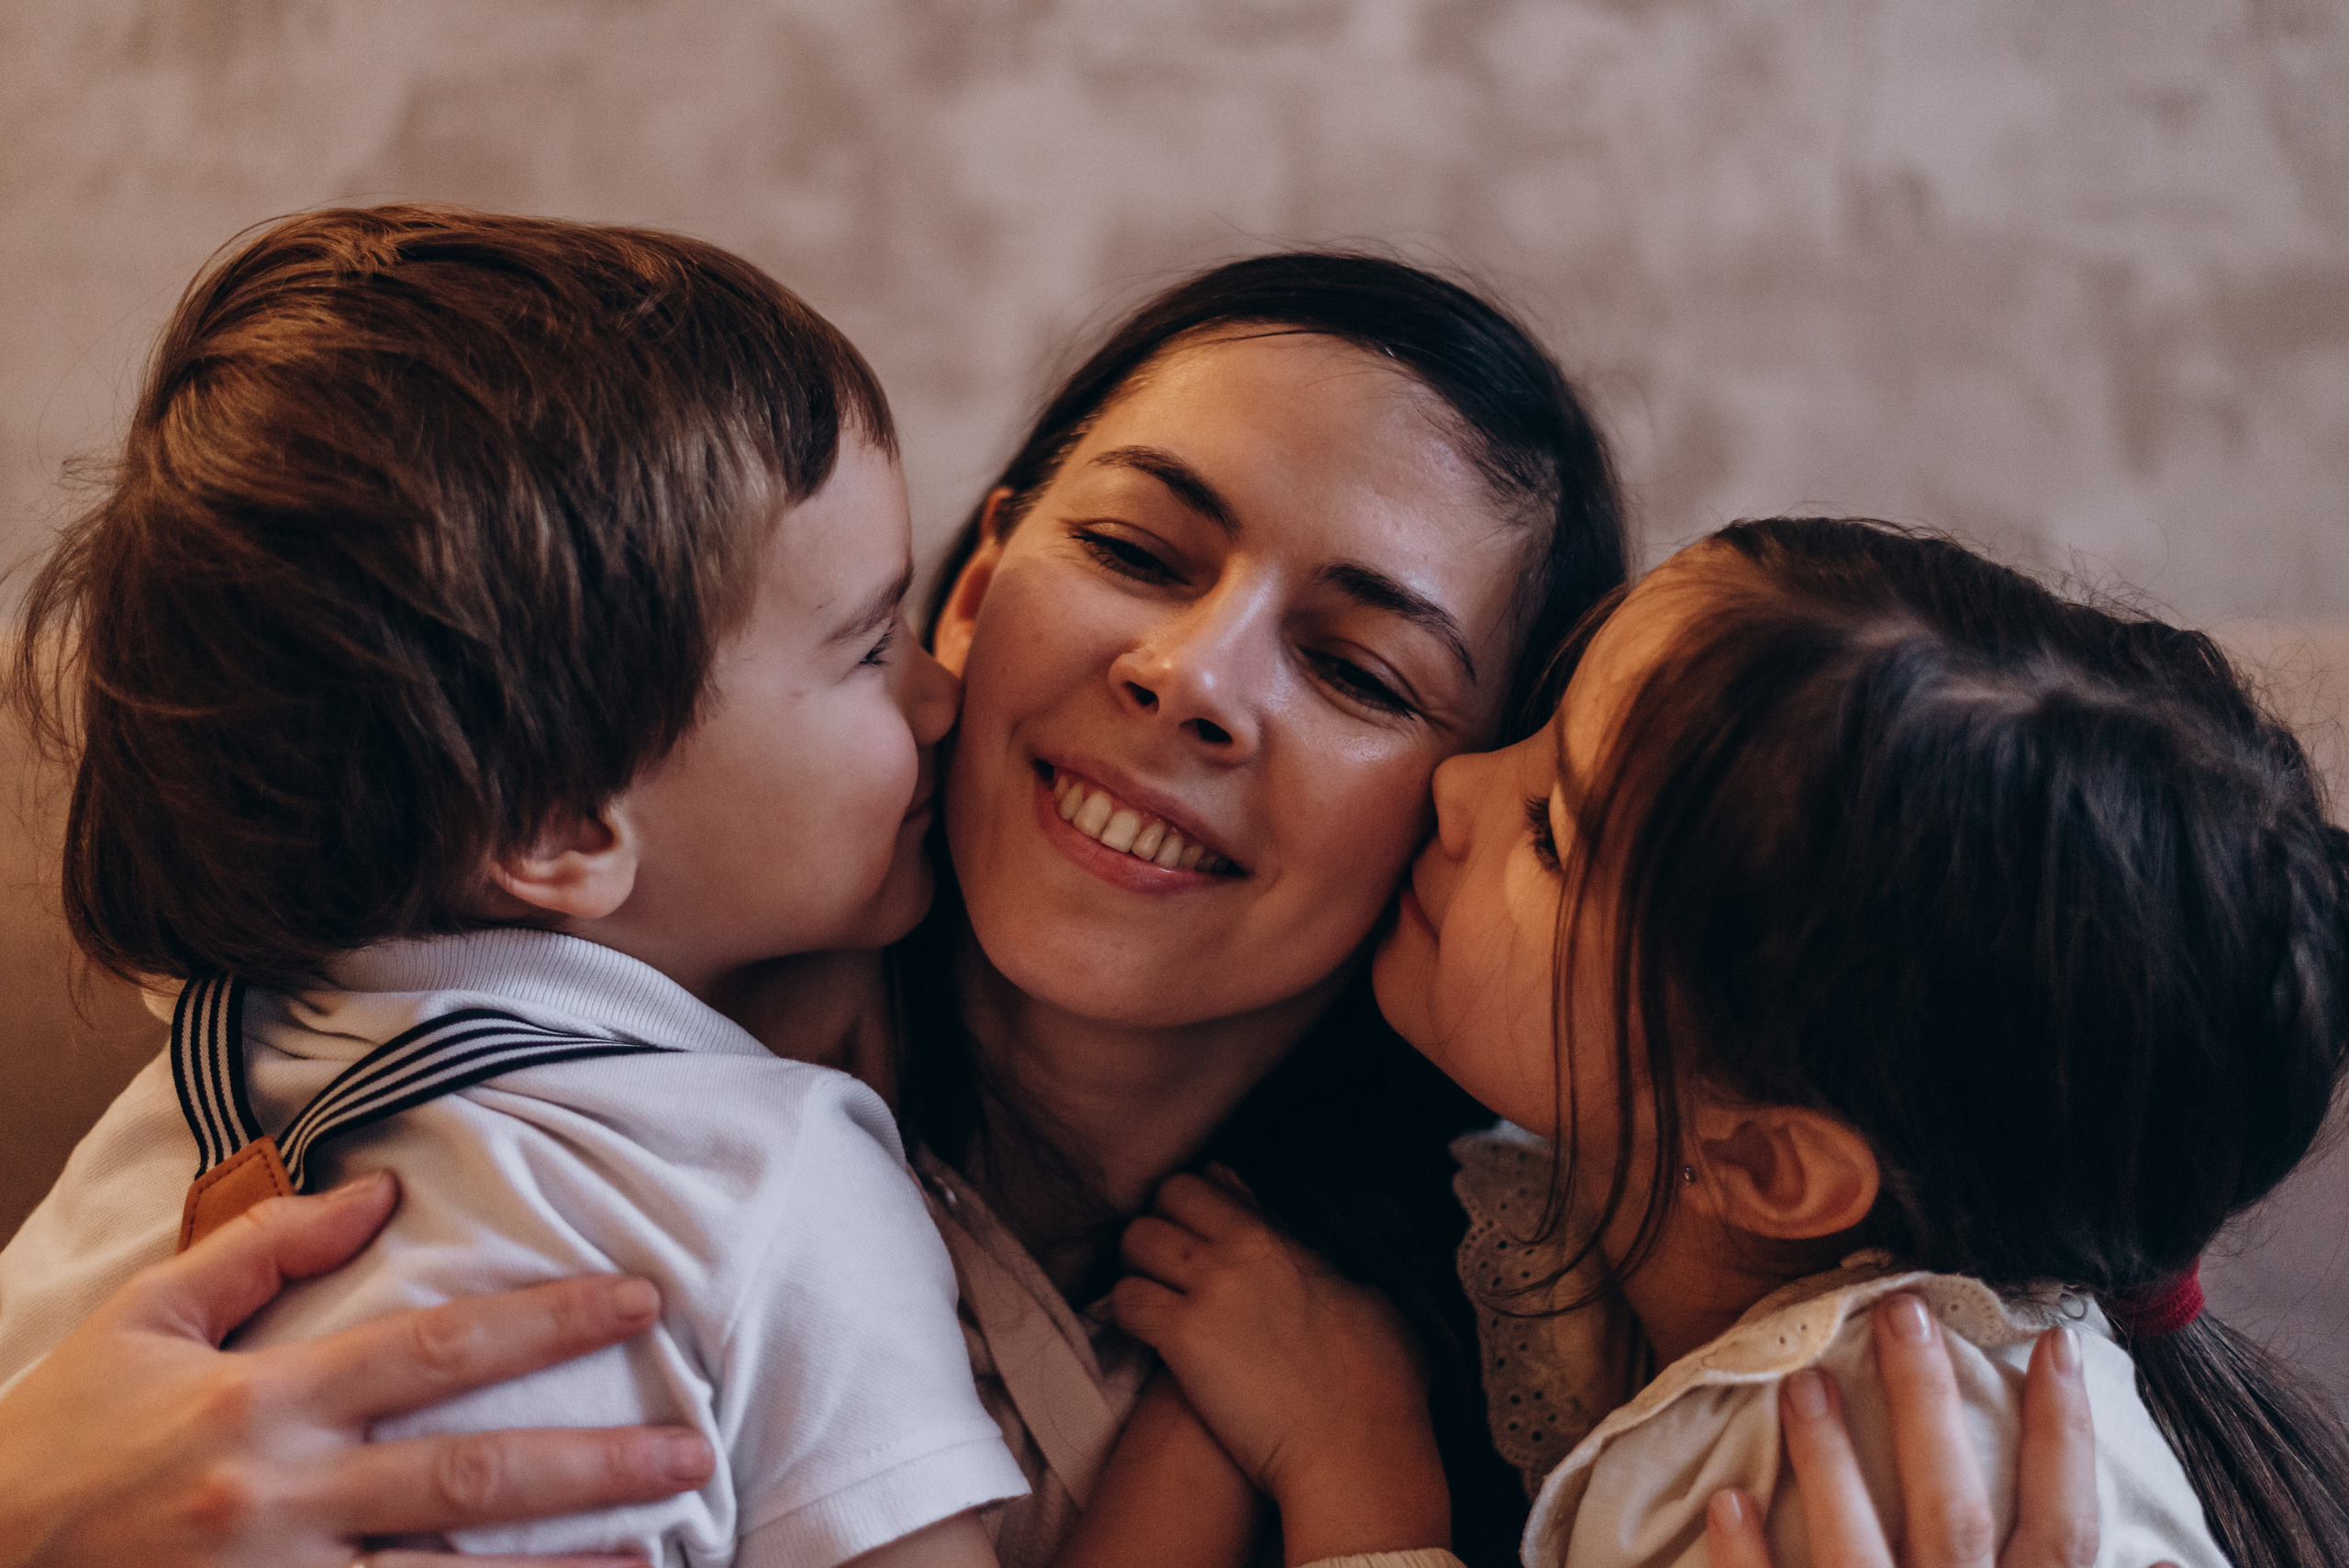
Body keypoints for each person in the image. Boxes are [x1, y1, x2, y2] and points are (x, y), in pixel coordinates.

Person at [0, 258, 2114, 1568]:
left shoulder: (1548, 1307)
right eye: (1135, 550)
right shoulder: (441, 1026)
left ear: (1473, 809)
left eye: (1360, 670)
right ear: (975, 572)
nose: (1191, 680)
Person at [0, 206, 1026, 1568]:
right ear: (559, 827)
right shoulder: (778, 1179)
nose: (942, 694)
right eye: (868, 647)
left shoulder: (149, 1141)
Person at [1095, 519, 2349, 1566]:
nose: (1455, 784)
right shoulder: (1661, 1285)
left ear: (1764, 1163)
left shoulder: (1881, 1462)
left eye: (1550, 833)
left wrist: (1359, 1475)